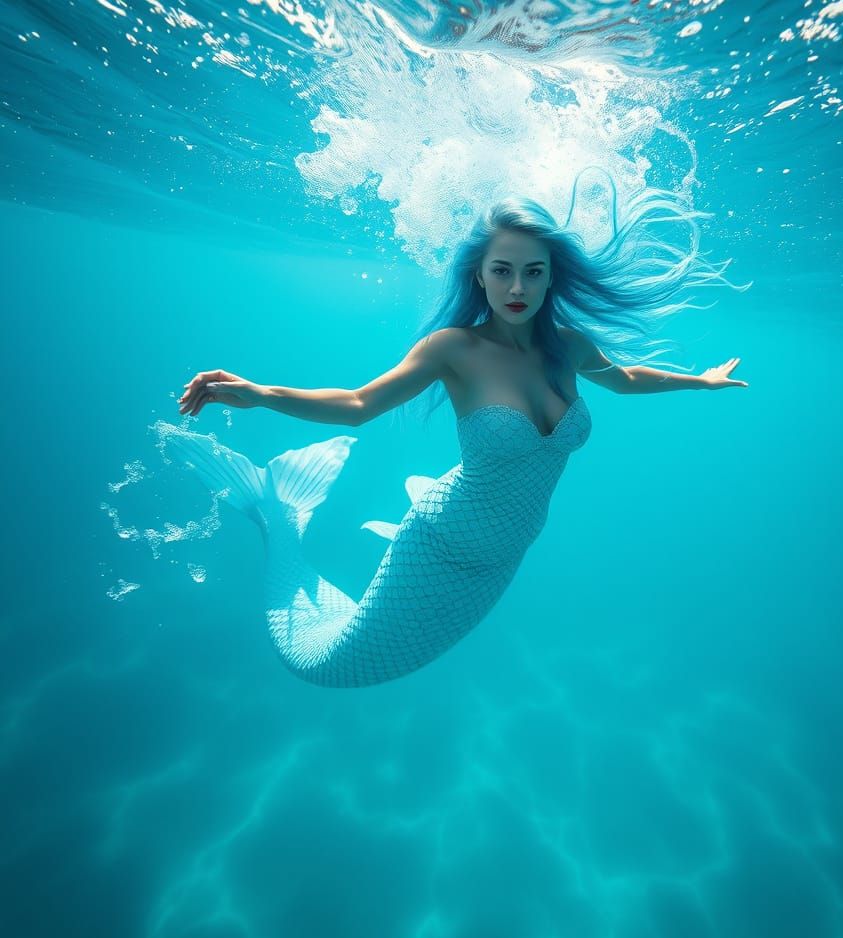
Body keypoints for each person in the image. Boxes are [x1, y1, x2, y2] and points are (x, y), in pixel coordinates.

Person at [167, 183, 747, 688]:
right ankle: (277, 516)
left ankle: (289, 517)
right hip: (439, 546)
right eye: (502, 270)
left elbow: (621, 380)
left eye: (533, 271)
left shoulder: (567, 347)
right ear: (479, 273)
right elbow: (358, 405)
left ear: (551, 277)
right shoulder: (454, 349)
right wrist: (262, 393)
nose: (517, 285)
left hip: (503, 557)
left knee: (379, 658)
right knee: (328, 663)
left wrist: (699, 381)